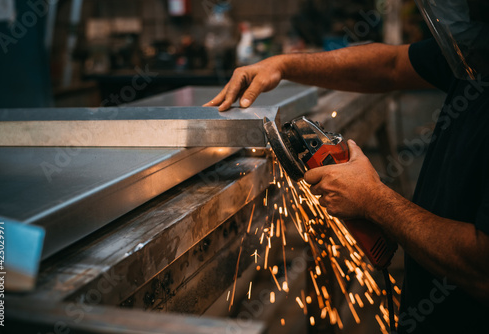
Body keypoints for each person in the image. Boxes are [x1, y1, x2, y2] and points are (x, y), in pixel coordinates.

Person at [204, 0, 489, 332]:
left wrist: (372, 200)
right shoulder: (475, 53)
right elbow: (392, 64)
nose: (466, 13)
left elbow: (482, 267)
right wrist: (283, 65)